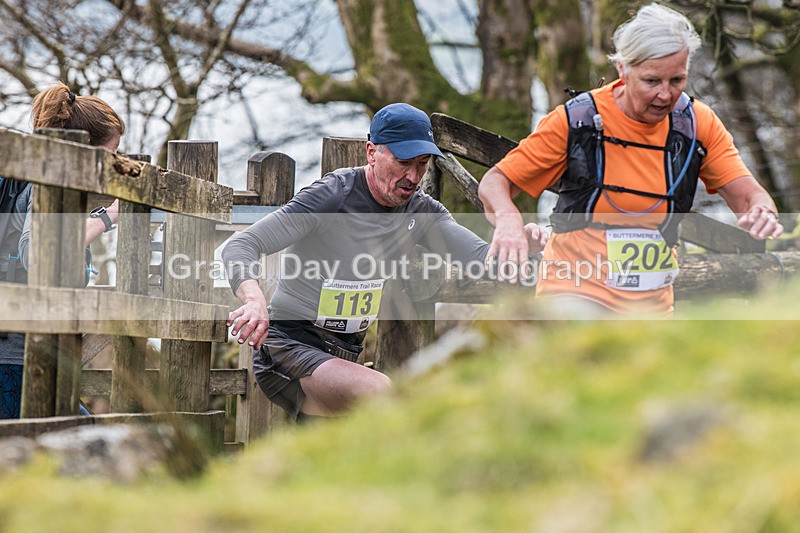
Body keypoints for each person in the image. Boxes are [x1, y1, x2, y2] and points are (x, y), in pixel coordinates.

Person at [223, 102, 547, 419]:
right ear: (371, 152)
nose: (413, 175)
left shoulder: (422, 211)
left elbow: (482, 260)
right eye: (403, 161)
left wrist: (523, 248)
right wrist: (254, 300)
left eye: (422, 164)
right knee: (381, 393)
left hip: (344, 353)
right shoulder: (333, 196)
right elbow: (241, 245)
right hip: (289, 345)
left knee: (349, 456)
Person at [478, 3, 783, 315]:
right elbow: (495, 182)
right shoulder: (578, 120)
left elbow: (750, 195)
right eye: (652, 81)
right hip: (573, 294)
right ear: (623, 69)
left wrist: (761, 210)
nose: (666, 94)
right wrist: (508, 219)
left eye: (677, 80)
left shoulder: (696, 124)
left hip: (653, 308)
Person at [0, 83, 125, 418]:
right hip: (18, 358)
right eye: (111, 156)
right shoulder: (48, 183)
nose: (114, 166)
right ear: (84, 149)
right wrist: (106, 219)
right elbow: (39, 252)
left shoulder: (29, 181)